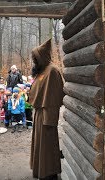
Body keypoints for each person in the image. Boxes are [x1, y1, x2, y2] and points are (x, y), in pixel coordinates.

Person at [28, 38, 65, 180]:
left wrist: (50, 119)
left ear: (42, 56)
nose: (34, 61)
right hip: (39, 114)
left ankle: (49, 174)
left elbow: (55, 96)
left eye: (36, 58)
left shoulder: (53, 71)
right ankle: (41, 172)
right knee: (40, 147)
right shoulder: (42, 70)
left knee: (47, 148)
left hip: (47, 117)